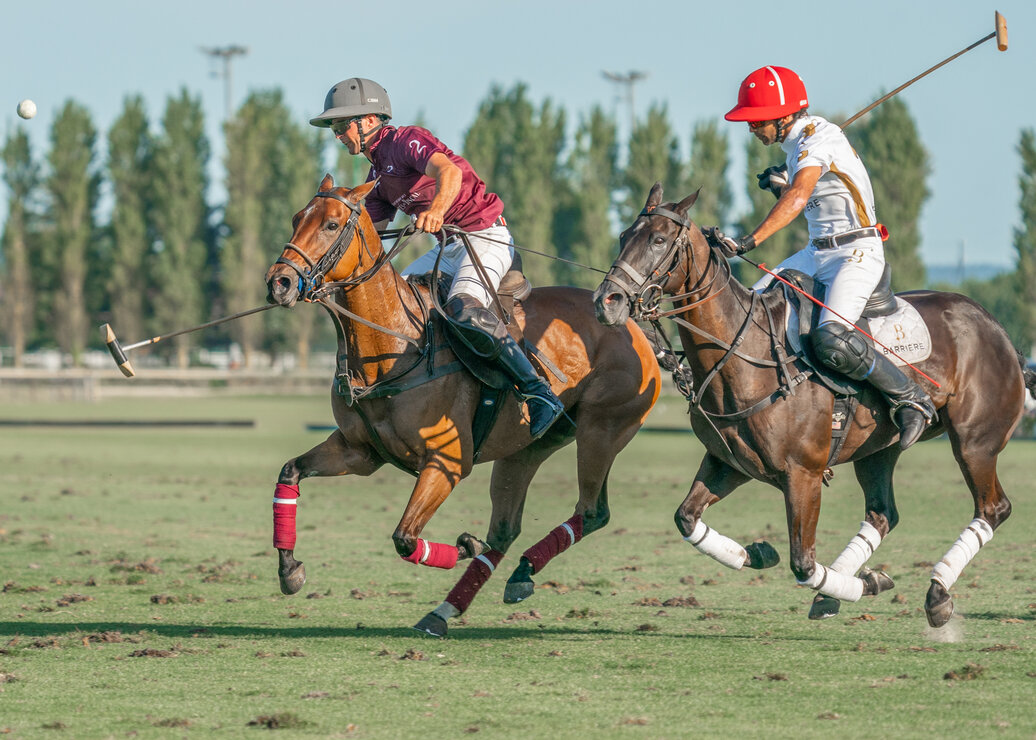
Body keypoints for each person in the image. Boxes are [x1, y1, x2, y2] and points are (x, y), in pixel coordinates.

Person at [309, 78, 564, 439]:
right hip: (449, 247)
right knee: (402, 300)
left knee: (464, 307)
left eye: (342, 126)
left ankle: (539, 393)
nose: (338, 135)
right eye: (335, 129)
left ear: (368, 120)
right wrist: (320, 277)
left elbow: (450, 171)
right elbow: (368, 240)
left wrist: (437, 210)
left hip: (485, 234)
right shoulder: (377, 176)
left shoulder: (403, 141)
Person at [708, 65, 935, 449]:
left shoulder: (818, 140)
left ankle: (911, 399)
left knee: (832, 337)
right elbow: (809, 193)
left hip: (856, 252)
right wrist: (781, 181)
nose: (750, 128)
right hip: (817, 254)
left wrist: (751, 240)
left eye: (756, 120)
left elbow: (800, 198)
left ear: (783, 117)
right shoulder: (798, 147)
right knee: (751, 313)